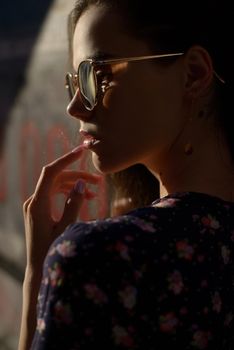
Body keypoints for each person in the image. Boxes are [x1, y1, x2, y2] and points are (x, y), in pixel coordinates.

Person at [18, 0, 234, 348]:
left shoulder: (99, 258)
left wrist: (39, 276)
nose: (74, 106)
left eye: (97, 75)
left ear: (193, 73)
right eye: (74, 83)